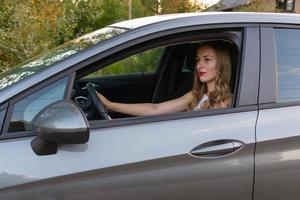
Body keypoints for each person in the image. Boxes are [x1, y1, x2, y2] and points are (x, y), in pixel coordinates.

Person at [96, 40, 233, 116]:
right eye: (197, 60)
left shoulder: (226, 102)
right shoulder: (196, 94)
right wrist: (110, 105)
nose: (199, 66)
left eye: (207, 60)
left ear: (221, 65)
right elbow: (155, 109)